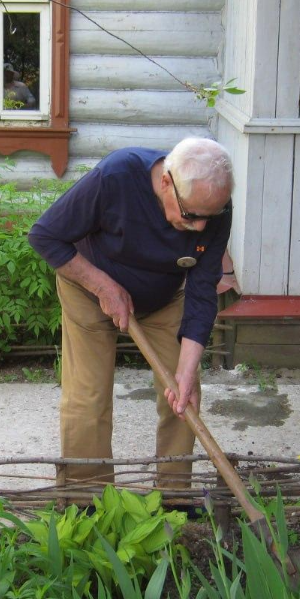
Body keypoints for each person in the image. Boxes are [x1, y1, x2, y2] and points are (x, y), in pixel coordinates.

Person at [28, 138, 234, 500]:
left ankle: (173, 495)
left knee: (183, 392)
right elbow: (44, 236)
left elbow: (202, 290)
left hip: (163, 298)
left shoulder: (214, 206)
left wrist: (187, 369)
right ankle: (88, 498)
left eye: (209, 217)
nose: (201, 226)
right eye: (191, 215)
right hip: (89, 290)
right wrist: (103, 286)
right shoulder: (117, 176)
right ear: (166, 182)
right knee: (88, 398)